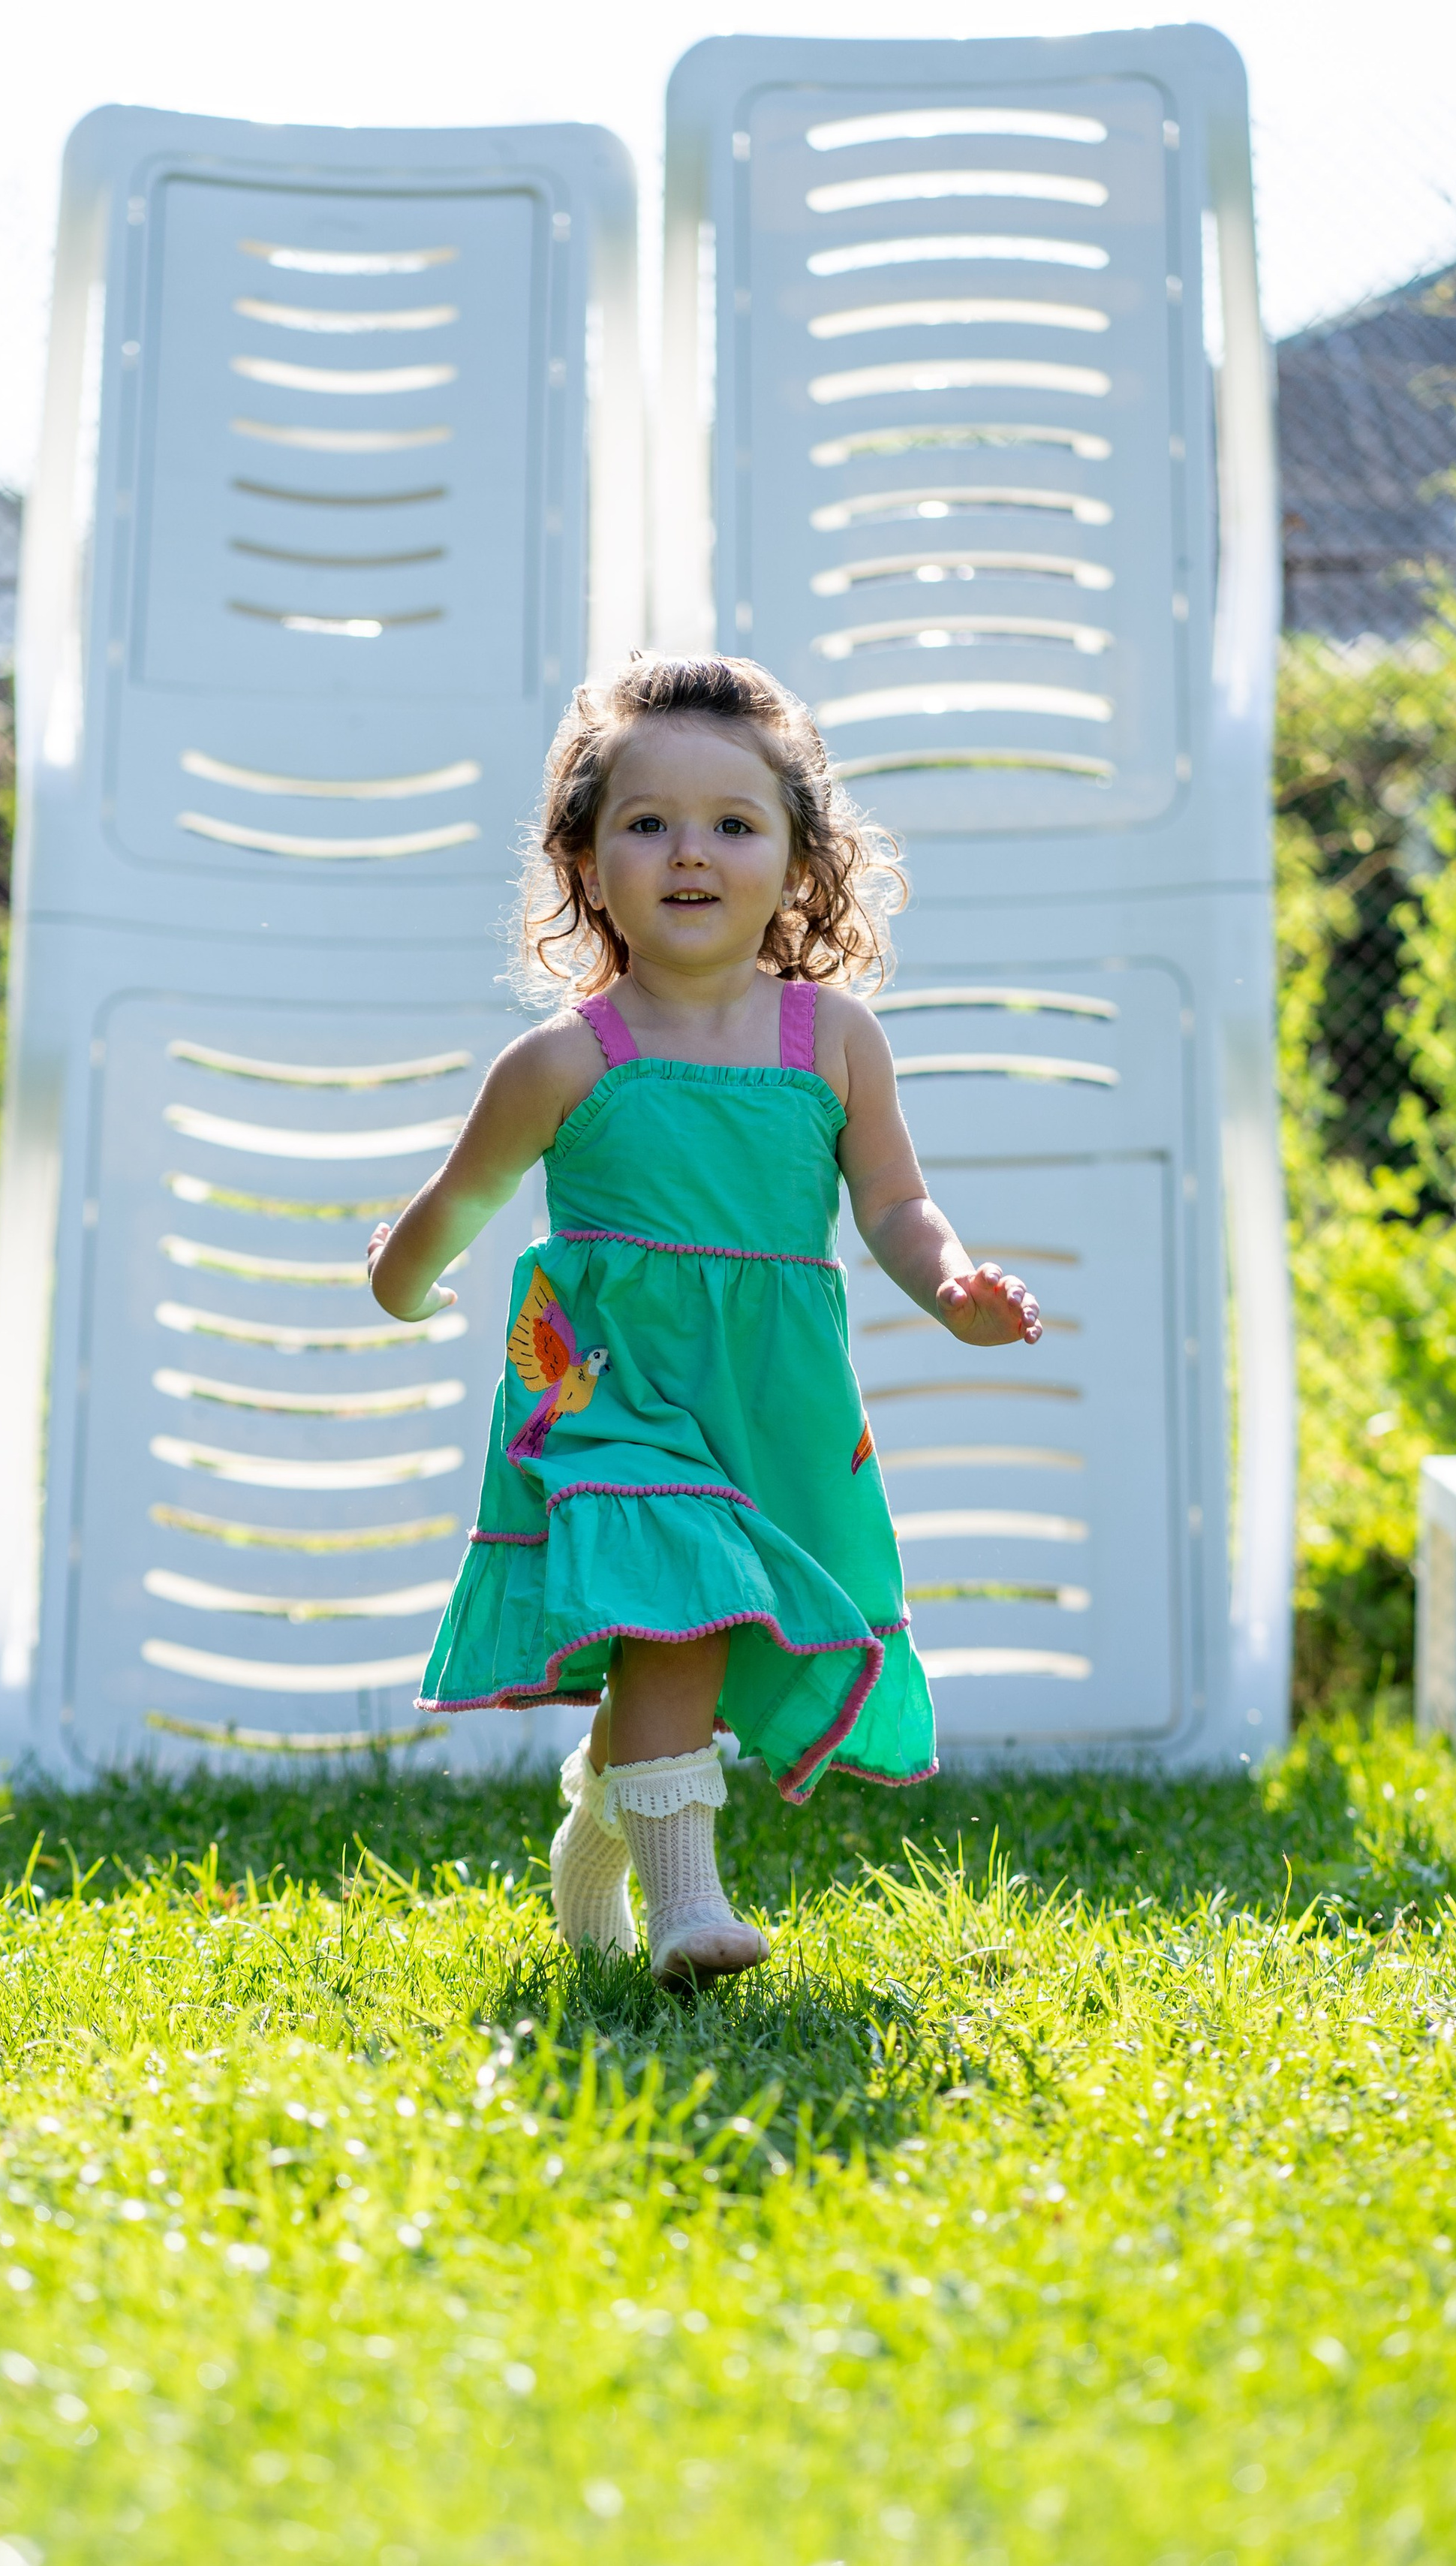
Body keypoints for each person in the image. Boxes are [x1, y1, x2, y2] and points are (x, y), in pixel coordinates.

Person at [367, 655, 1042, 1989]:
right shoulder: (566, 1059)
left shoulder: (832, 1039)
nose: (692, 852)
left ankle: (597, 1830)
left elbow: (897, 1205)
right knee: (673, 1605)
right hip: (600, 1382)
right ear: (583, 856)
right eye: (648, 822)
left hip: (767, 1395)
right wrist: (400, 1281)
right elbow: (460, 1198)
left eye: (735, 824)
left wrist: (956, 1286)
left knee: (704, 1624)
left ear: (800, 860)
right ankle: (689, 1909)